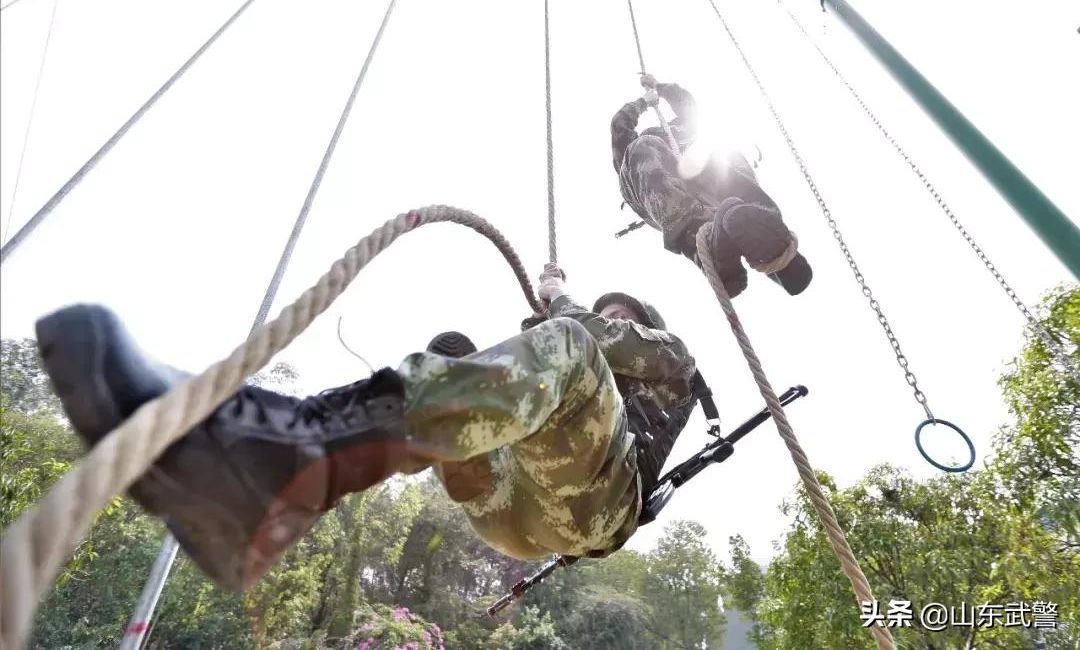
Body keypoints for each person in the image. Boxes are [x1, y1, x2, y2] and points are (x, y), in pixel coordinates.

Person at [33, 264, 698, 593]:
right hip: (506, 509)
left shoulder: (667, 357)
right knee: (454, 350)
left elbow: (590, 335)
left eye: (621, 312)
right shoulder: (570, 374)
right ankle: (277, 474)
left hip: (593, 507)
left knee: (571, 344)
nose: (607, 314)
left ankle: (293, 453)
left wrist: (560, 297)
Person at [611, 73, 813, 297]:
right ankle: (701, 238)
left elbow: (688, 106)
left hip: (701, 184)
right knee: (644, 145)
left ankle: (773, 241)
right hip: (655, 190)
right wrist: (643, 103)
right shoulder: (640, 147)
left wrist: (659, 87)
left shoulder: (683, 131)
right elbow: (619, 125)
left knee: (724, 154)